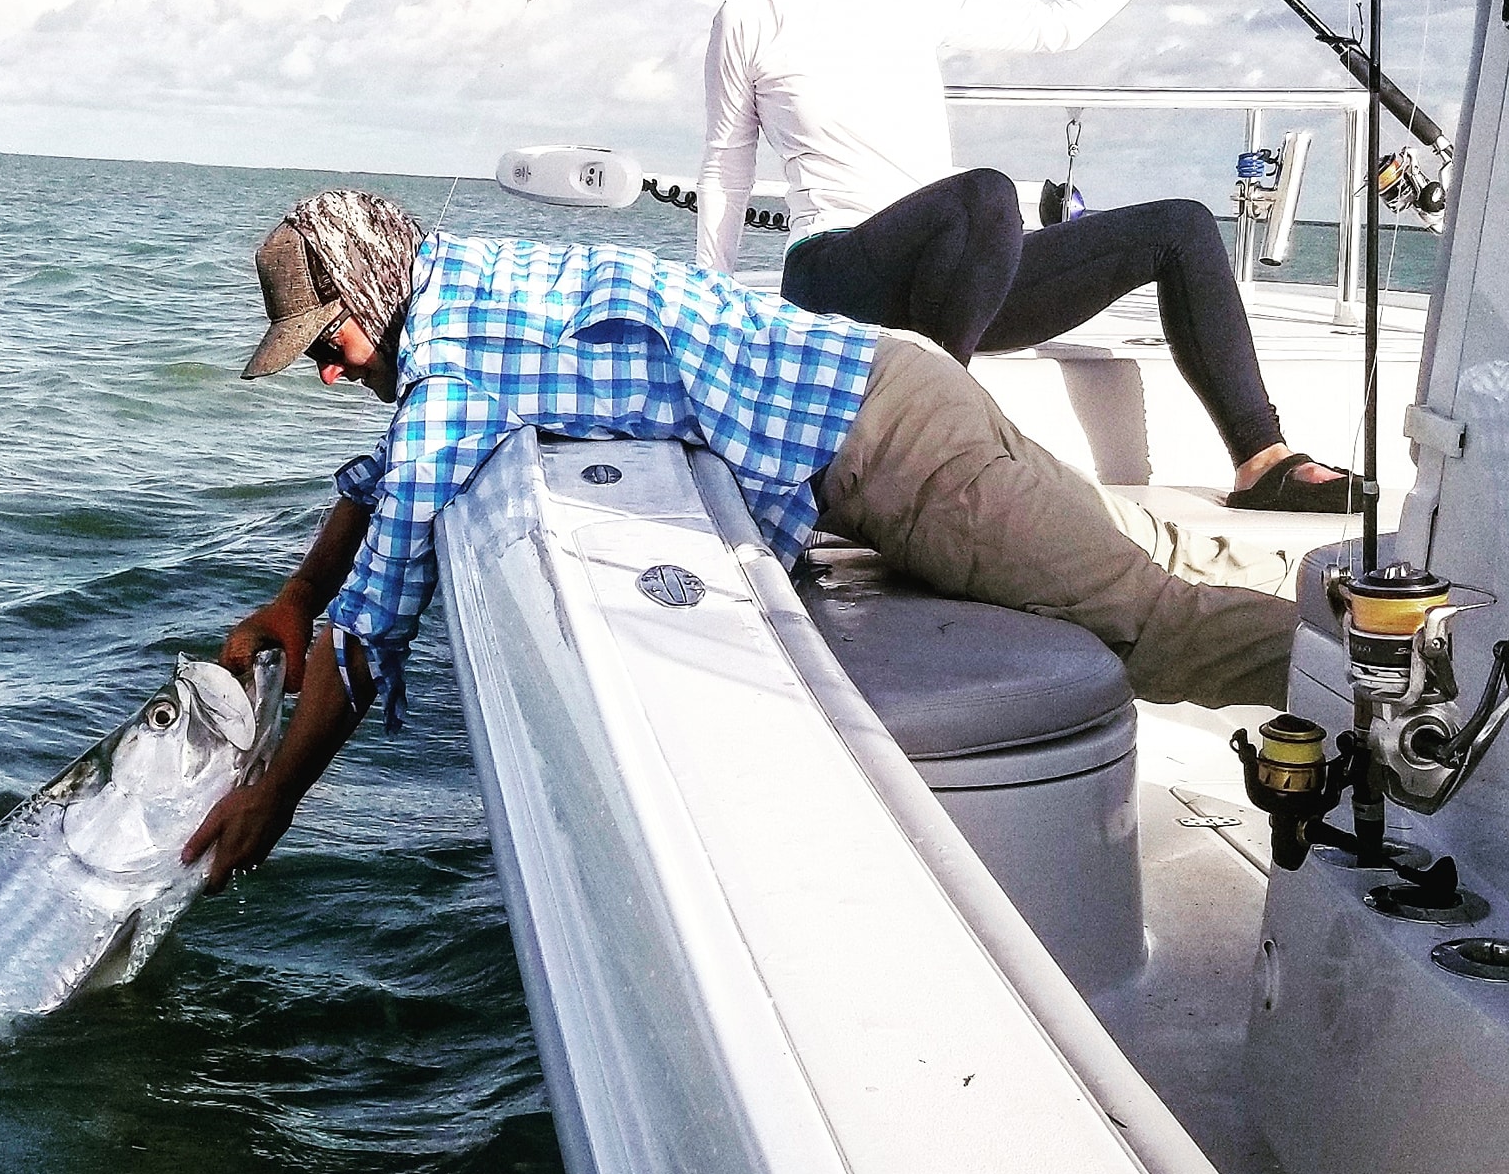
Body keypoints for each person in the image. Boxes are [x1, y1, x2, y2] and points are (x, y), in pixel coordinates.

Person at [180, 187, 1299, 891]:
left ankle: (1378, 686)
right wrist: (291, 596)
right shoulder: (467, 279)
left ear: (373, 283)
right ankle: (1341, 611)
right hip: (893, 380)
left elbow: (372, 626)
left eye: (328, 342)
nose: (327, 370)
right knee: (1150, 550)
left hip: (894, 452)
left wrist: (271, 797)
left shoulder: (452, 368)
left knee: (1152, 631)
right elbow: (387, 479)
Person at [696, 0, 1359, 514]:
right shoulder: (746, 19)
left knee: (1184, 227)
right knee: (984, 194)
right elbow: (724, 168)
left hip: (948, 285)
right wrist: (710, 313)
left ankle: (1263, 460)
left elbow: (1060, 26)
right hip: (838, 270)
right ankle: (922, 449)